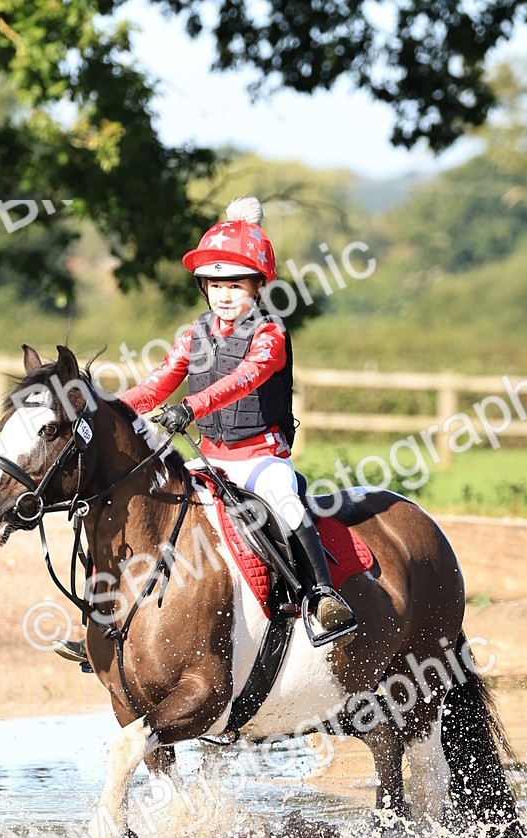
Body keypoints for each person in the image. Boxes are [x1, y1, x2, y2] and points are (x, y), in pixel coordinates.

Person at [119, 196, 357, 647]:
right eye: (214, 285)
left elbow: (243, 382)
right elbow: (155, 385)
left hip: (261, 458)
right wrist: (106, 407)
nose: (224, 295)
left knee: (285, 503)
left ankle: (323, 596)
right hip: (207, 461)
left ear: (257, 286)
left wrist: (190, 408)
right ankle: (123, 619)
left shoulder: (271, 335)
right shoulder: (194, 334)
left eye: (236, 285)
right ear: (203, 288)